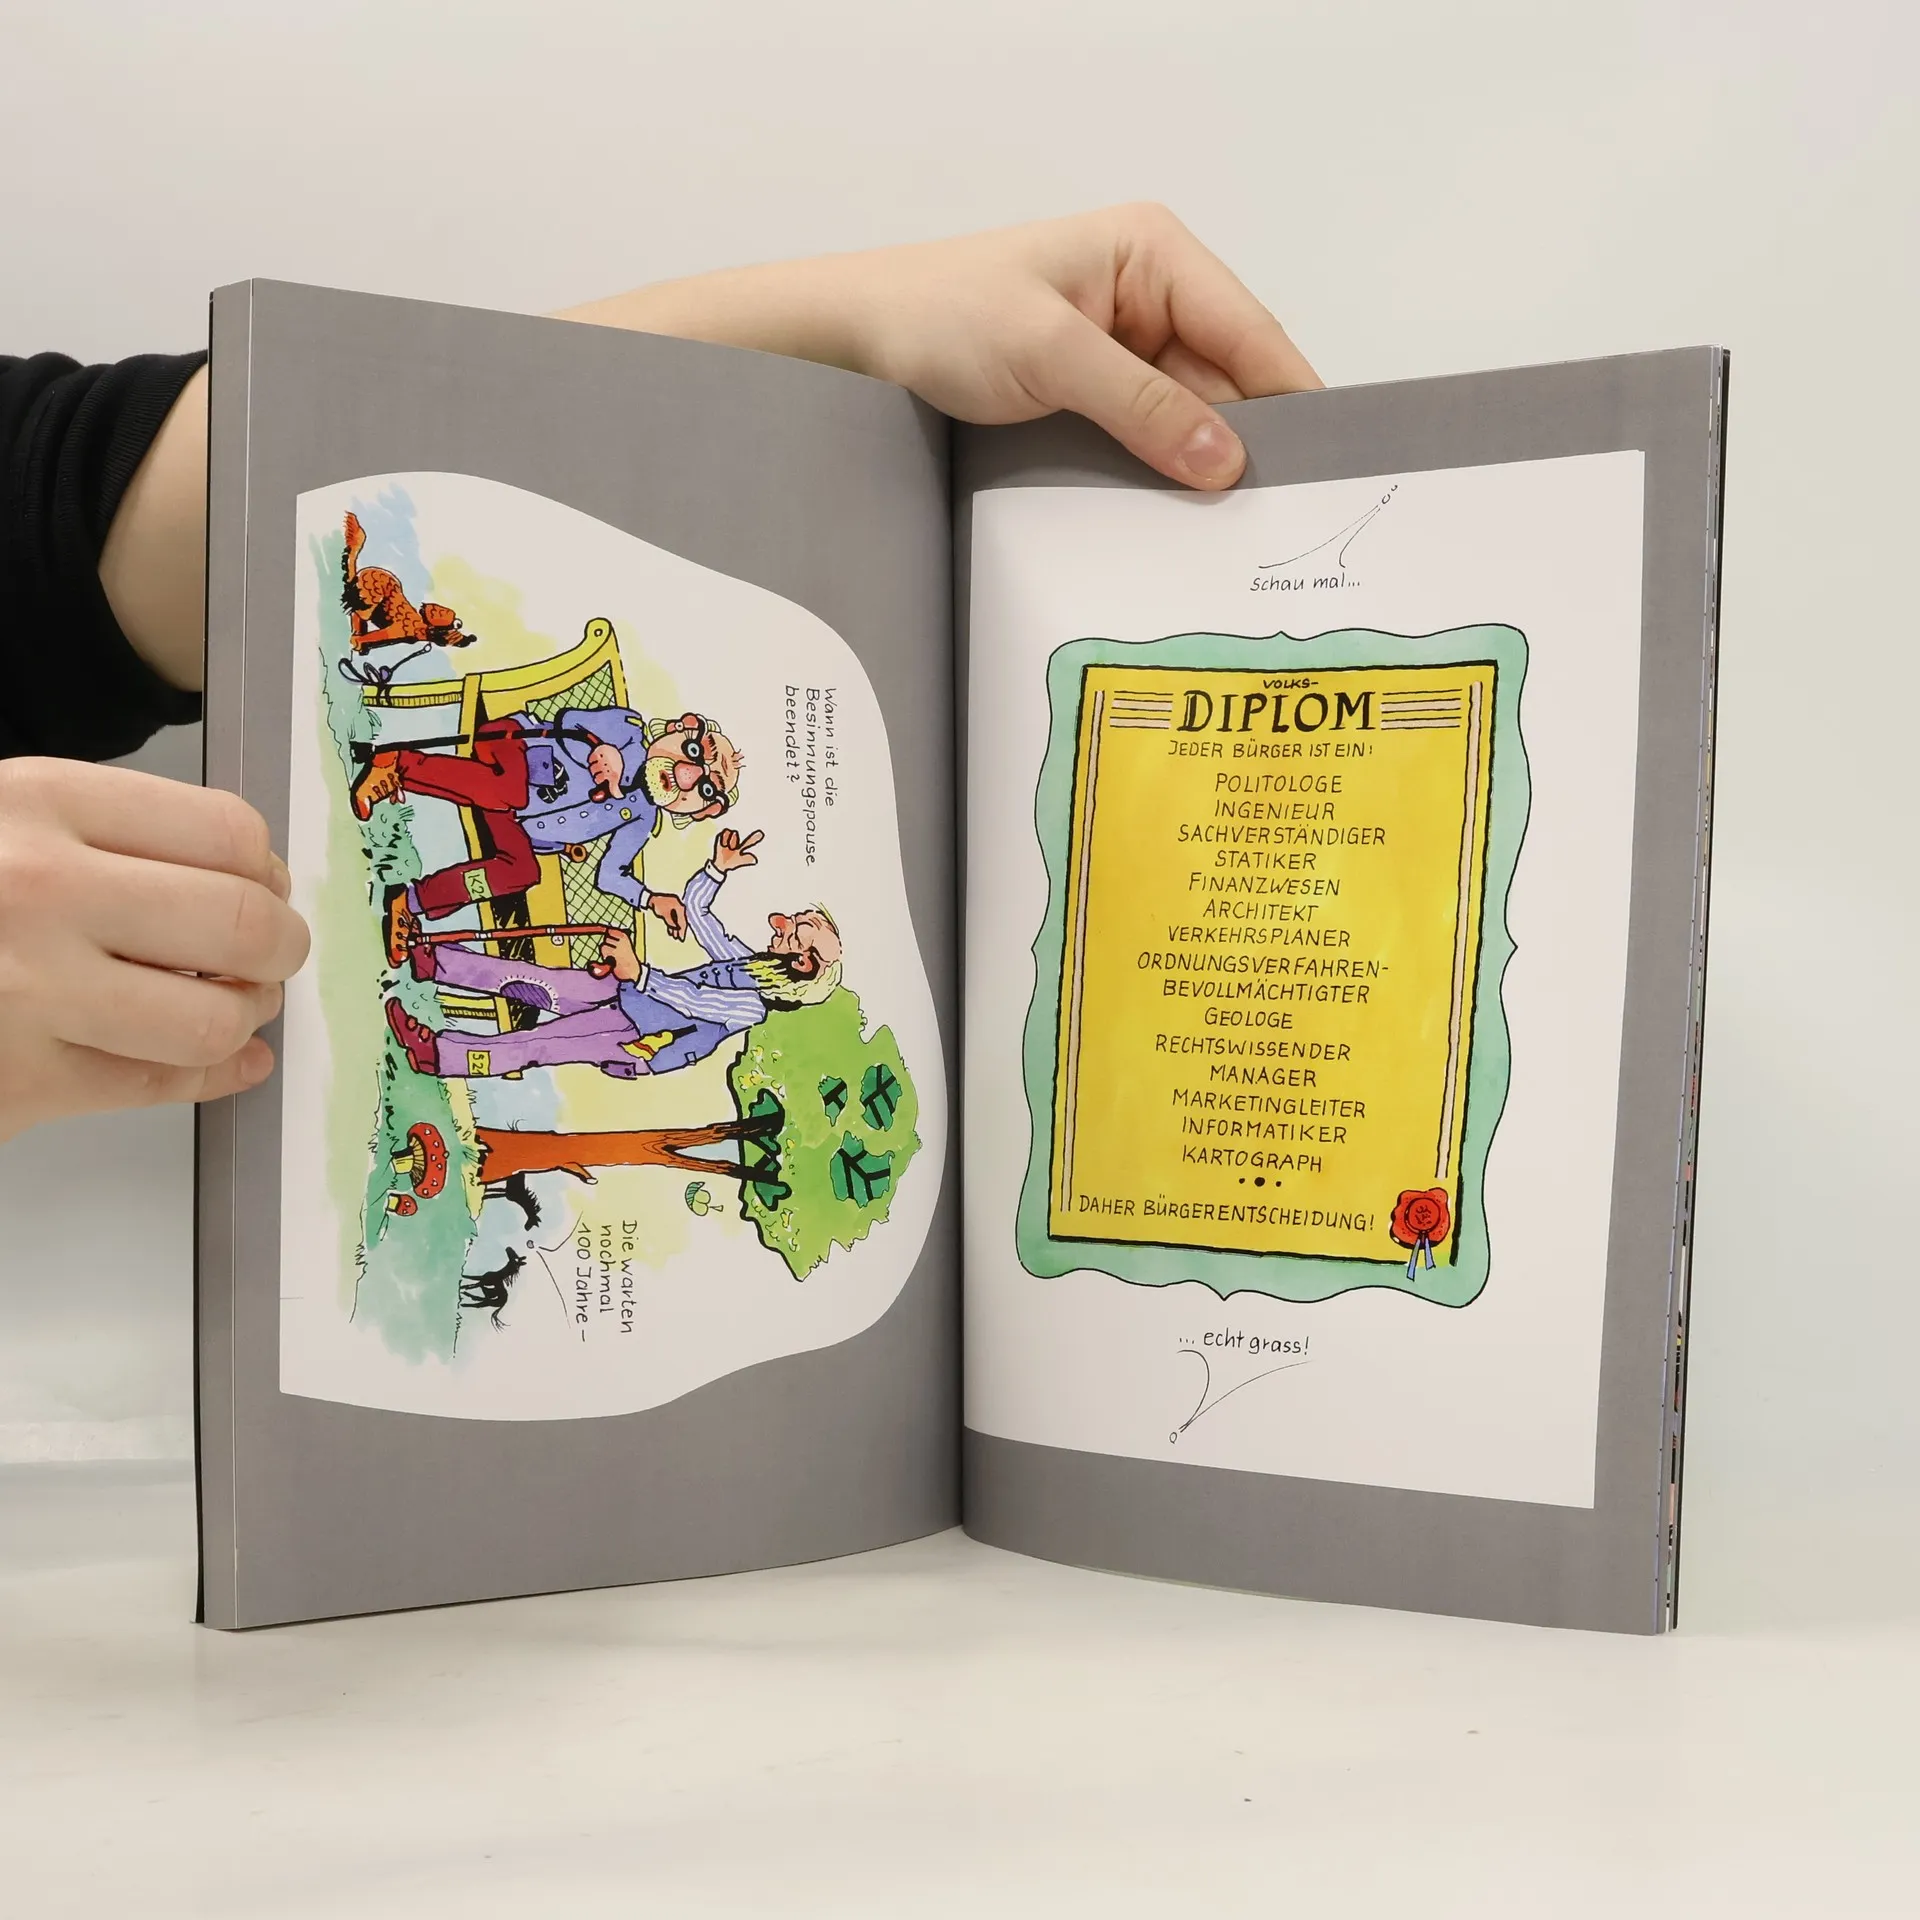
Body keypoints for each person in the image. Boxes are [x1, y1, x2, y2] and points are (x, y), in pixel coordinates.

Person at [0, 203, 1321, 1144]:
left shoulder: (703, 938)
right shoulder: (630, 764)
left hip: (607, 965)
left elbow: (88, 520)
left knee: (542, 980)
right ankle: (422, 841)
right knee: (502, 826)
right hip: (526, 800)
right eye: (694, 768)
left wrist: (851, 323)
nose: (685, 779)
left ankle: (445, 1009)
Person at [385, 827, 833, 1081]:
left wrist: (639, 973)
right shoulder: (747, 962)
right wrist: (717, 869)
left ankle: (438, 1055)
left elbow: (694, 1002)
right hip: (629, 994)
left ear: (801, 963)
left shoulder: (750, 1008)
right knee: (534, 981)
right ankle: (435, 960)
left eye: (794, 930)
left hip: (637, 1034)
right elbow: (698, 913)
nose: (780, 924)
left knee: (538, 1044)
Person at [350, 705, 738, 963]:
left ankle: (412, 901)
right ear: (678, 728)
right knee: (508, 791)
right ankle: (398, 765)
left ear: (703, 810)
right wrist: (605, 750)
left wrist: (650, 899)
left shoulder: (642, 817)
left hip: (516, 821)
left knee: (522, 872)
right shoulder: (629, 731)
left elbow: (610, 875)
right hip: (513, 746)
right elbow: (570, 721)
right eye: (693, 751)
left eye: (706, 788)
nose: (688, 774)